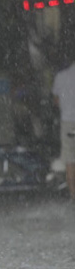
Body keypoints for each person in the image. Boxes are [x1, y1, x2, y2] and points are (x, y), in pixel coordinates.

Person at [53, 60, 75, 200]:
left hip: (68, 123)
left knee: (70, 159)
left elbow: (56, 100)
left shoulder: (60, 77)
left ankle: (73, 194)